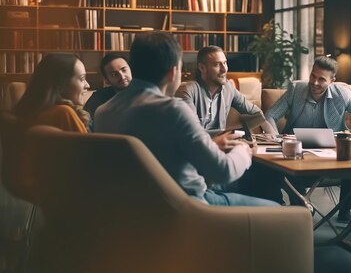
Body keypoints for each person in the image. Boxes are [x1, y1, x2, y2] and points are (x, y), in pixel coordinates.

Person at [94, 31, 277, 207]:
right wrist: (244, 150)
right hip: (189, 206)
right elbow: (224, 171)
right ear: (173, 72)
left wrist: (212, 146)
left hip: (136, 208)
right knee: (278, 210)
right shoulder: (172, 109)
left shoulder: (102, 113)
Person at [266, 56, 351, 221]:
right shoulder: (295, 90)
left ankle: (344, 210)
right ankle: (302, 206)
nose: (315, 82)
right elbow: (270, 115)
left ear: (332, 81)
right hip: (297, 153)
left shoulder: (342, 94)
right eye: (313, 76)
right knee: (279, 165)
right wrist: (276, 137)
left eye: (321, 79)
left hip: (331, 156)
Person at [175, 45, 276, 138]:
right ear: (202, 68)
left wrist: (271, 134)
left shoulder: (228, 88)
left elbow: (255, 112)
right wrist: (230, 134)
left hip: (221, 146)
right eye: (217, 65)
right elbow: (192, 132)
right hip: (195, 150)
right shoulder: (187, 91)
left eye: (225, 63)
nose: (224, 69)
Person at [14, 53, 90, 132]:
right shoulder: (63, 113)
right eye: (82, 78)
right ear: (61, 84)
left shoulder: (33, 114)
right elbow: (87, 144)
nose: (87, 85)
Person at [83, 53, 132, 119]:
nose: (122, 77)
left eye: (124, 70)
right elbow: (84, 121)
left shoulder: (144, 93)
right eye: (114, 74)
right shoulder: (99, 97)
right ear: (107, 80)